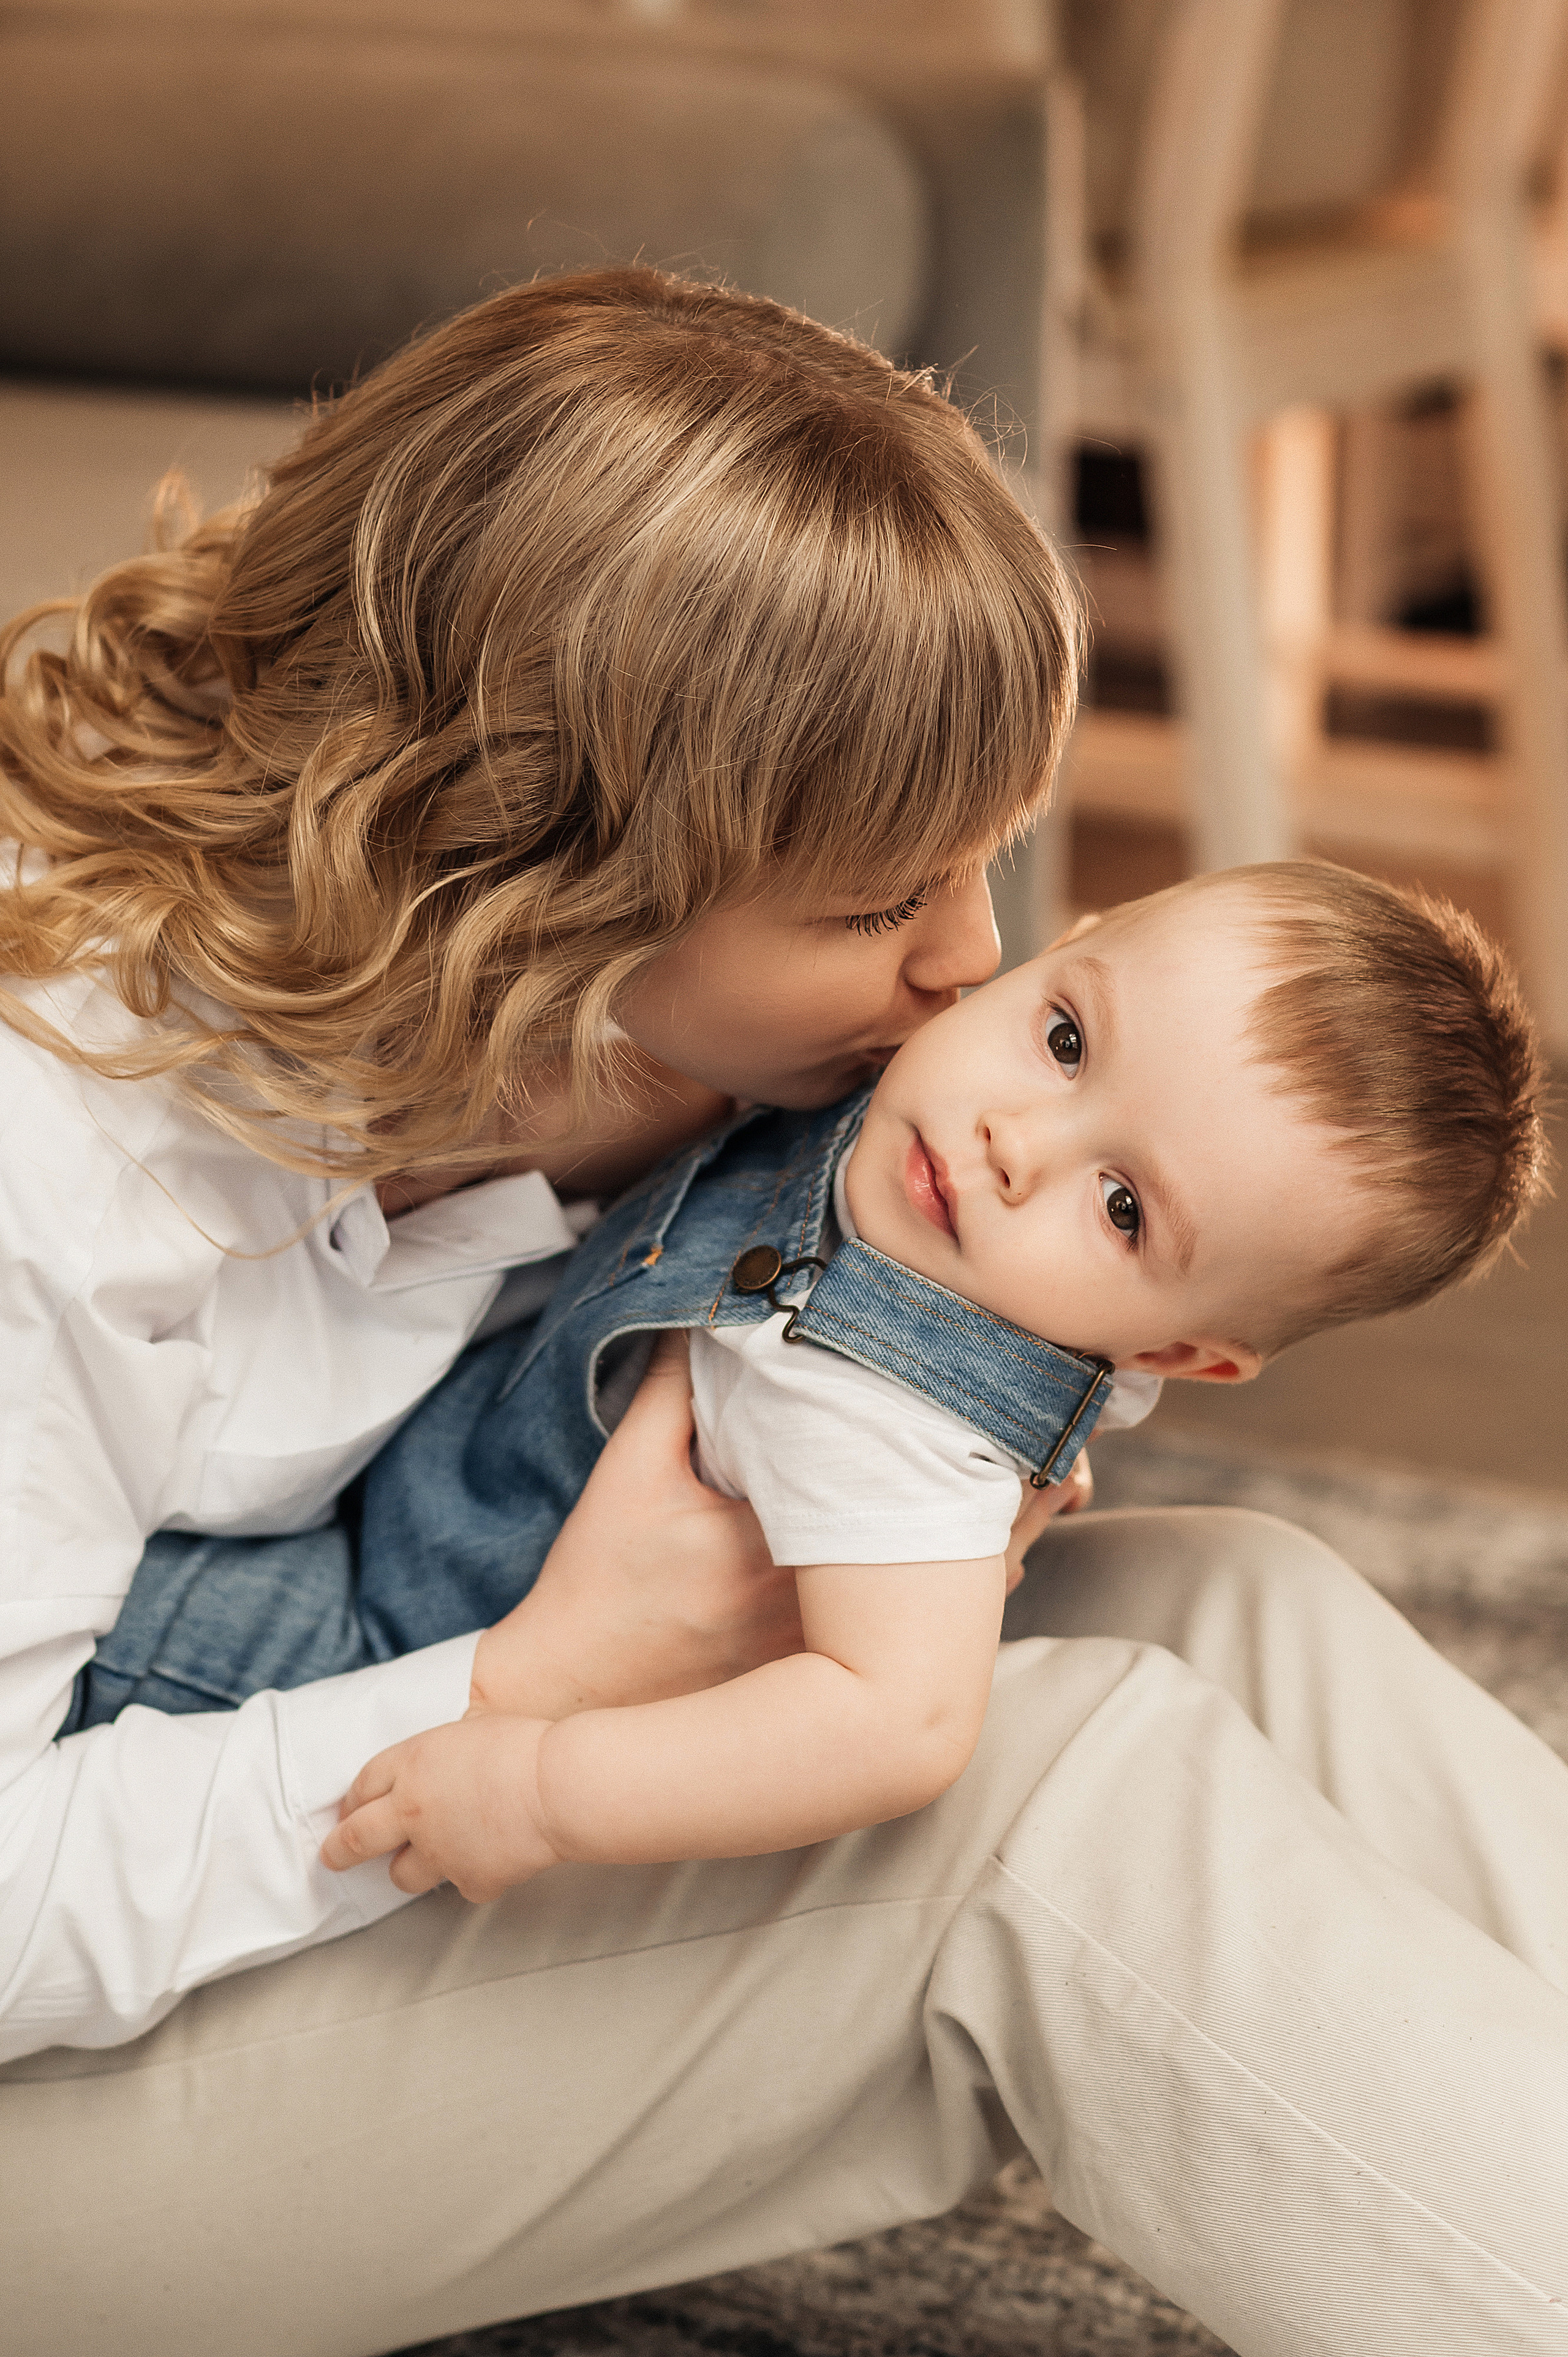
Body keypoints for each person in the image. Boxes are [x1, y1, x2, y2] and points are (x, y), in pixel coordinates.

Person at [1, 270, 1566, 2357]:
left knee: (1228, 1621)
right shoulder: (53, 1175)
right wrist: (539, 1689)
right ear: (531, 874)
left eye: (989, 869)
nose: (965, 972)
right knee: (1059, 1811)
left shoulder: (615, 1048)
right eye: (871, 906)